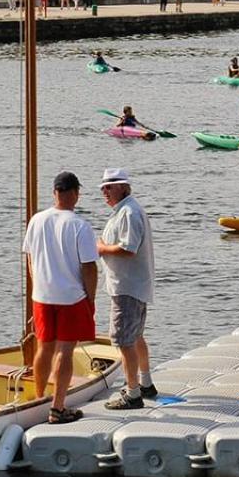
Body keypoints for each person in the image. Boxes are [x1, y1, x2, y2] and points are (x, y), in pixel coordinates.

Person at [23, 171, 99, 425]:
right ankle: (57, 408)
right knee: (65, 350)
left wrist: (38, 286)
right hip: (71, 295)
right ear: (75, 194)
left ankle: (39, 396)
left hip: (42, 294)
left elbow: (30, 259)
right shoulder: (80, 225)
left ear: (54, 192)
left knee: (44, 346)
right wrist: (91, 298)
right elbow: (89, 267)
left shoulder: (36, 220)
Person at [95, 168, 158, 408]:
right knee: (135, 336)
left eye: (109, 187)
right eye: (103, 188)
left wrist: (101, 248)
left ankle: (133, 394)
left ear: (123, 187)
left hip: (128, 287)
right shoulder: (125, 211)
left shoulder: (129, 213)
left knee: (123, 340)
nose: (104, 192)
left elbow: (128, 249)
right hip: (132, 285)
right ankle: (145, 383)